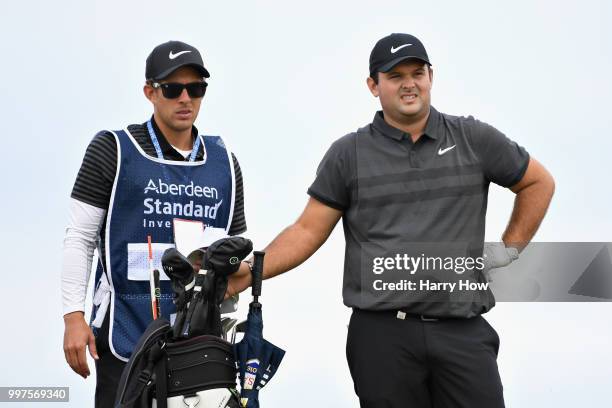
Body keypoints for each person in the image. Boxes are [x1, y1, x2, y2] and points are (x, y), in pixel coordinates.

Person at [227, 33, 555, 407]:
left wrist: (507, 251)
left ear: (431, 76)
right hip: (383, 335)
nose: (409, 83)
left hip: (462, 332)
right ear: (373, 85)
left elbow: (537, 182)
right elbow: (306, 230)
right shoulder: (348, 153)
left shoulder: (472, 138)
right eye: (396, 76)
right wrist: (252, 270)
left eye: (417, 72)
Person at [61, 40, 247, 407]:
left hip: (200, 341)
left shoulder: (225, 163)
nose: (185, 98)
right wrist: (73, 317)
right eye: (172, 89)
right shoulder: (112, 148)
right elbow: (79, 238)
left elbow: (235, 251)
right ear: (150, 92)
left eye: (195, 89)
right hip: (126, 329)